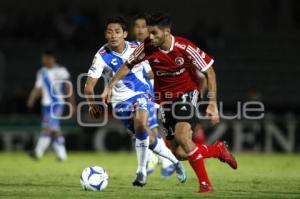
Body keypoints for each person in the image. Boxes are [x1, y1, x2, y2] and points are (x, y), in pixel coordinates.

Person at [104, 13, 237, 193]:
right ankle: (218, 150)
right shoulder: (148, 47)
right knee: (179, 153)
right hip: (164, 99)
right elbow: (128, 64)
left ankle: (205, 185)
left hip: (187, 94)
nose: (150, 37)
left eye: (154, 33)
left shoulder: (184, 47)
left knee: (183, 136)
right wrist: (110, 85)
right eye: (149, 32)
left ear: (167, 32)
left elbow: (210, 72)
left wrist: (212, 102)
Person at [84, 16, 186, 187]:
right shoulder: (101, 55)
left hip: (142, 93)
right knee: (151, 138)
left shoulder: (137, 48)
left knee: (141, 122)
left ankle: (141, 172)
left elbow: (151, 72)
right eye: (110, 32)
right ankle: (174, 161)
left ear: (124, 34)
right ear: (105, 35)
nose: (113, 35)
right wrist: (91, 104)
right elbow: (89, 86)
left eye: (117, 32)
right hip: (118, 102)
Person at [132, 13, 178, 177]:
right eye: (137, 26)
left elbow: (155, 72)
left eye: (143, 26)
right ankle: (161, 160)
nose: (140, 29)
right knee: (146, 128)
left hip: (152, 94)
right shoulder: (133, 48)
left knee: (147, 128)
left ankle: (163, 160)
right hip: (139, 95)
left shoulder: (152, 48)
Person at [27, 50, 76, 161]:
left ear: (52, 58)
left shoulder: (61, 71)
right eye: (43, 58)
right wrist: (32, 98)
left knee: (48, 128)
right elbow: (39, 88)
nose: (43, 60)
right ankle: (62, 155)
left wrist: (72, 104)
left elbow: (69, 87)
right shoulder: (41, 72)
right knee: (54, 129)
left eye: (45, 58)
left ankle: (38, 152)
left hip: (57, 103)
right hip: (46, 104)